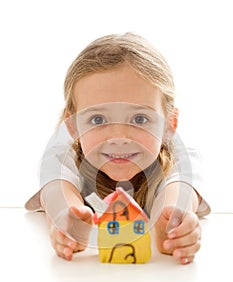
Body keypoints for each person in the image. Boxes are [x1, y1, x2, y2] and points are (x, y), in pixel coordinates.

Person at [25, 32, 210, 264]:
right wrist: (67, 219)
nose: (119, 137)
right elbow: (55, 191)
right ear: (72, 127)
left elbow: (180, 191)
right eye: (98, 120)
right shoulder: (63, 154)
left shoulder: (181, 157)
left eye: (140, 119)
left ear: (169, 126)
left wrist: (173, 222)